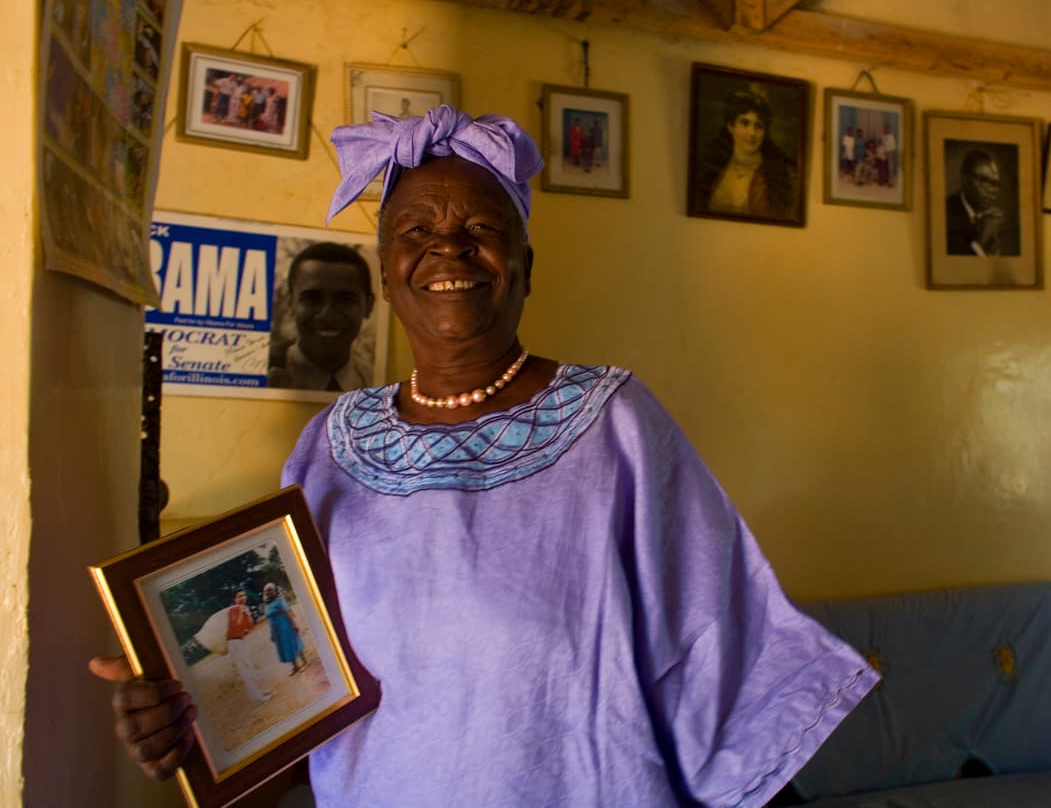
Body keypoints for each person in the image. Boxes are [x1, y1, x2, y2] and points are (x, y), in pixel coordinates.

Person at [90, 105, 877, 806]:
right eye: (416, 234)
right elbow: (296, 705)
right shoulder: (330, 447)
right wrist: (190, 718)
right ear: (389, 284)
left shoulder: (614, 424)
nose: (448, 252)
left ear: (525, 269)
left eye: (480, 231)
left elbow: (719, 656)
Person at [267, 242, 375, 391]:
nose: (327, 315)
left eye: (345, 300)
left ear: (369, 306)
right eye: (312, 299)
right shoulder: (266, 376)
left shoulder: (376, 382)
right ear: (290, 304)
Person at [694, 88, 799, 221]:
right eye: (744, 123)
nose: (752, 133)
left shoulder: (783, 174)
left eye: (759, 126)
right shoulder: (710, 167)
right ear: (730, 126)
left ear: (765, 132)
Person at [945, 148, 1018, 256]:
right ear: (965, 179)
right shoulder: (946, 213)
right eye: (983, 180)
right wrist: (982, 240)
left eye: (995, 184)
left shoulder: (992, 219)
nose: (991, 190)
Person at [225, 590, 270, 704]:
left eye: (244, 595)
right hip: (234, 642)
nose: (242, 598)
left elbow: (249, 627)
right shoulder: (233, 610)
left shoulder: (245, 609)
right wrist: (241, 611)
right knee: (245, 671)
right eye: (239, 596)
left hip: (240, 641)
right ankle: (256, 698)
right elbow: (236, 625)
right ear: (235, 599)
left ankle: (260, 692)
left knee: (250, 667)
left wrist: (247, 614)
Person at [262, 583, 307, 675]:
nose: (269, 592)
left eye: (271, 590)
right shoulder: (266, 604)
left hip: (285, 625)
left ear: (275, 591)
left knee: (294, 643)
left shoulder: (279, 600)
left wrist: (294, 624)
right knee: (285, 647)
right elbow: (269, 619)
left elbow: (287, 613)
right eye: (267, 591)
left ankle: (305, 663)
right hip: (277, 630)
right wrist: (271, 633)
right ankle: (295, 666)